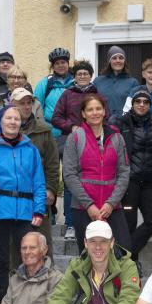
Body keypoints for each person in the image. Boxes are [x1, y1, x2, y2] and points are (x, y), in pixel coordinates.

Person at [0, 105, 48, 304]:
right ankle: (2, 302)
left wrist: (39, 210)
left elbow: (39, 181)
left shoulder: (31, 150)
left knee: (29, 258)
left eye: (16, 119)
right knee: (0, 260)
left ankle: (27, 302)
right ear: (0, 122)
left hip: (25, 212)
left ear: (21, 122)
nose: (12, 122)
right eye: (8, 118)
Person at [63, 94, 131, 253]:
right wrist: (89, 205)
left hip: (112, 207)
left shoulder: (117, 137)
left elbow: (124, 172)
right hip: (83, 207)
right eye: (90, 109)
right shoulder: (75, 138)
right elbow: (69, 174)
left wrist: (111, 203)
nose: (95, 113)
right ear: (83, 113)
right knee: (88, 255)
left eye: (98, 108)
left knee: (122, 251)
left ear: (104, 111)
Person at [52, 59, 111, 240]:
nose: (83, 76)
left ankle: (96, 219)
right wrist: (71, 127)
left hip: (94, 142)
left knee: (91, 180)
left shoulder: (98, 94)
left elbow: (106, 115)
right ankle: (70, 223)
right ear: (75, 76)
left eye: (86, 73)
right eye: (79, 74)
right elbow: (56, 117)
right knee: (71, 182)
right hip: (72, 141)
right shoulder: (67, 94)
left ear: (90, 75)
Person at [113, 88, 152, 258]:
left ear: (150, 105)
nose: (141, 104)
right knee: (129, 224)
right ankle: (131, 263)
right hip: (128, 183)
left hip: (148, 182)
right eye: (138, 101)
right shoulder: (122, 124)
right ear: (132, 104)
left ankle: (124, 255)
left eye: (145, 102)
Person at [15, 87, 60, 253]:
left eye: (29, 103)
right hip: (13, 198)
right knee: (16, 246)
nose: (27, 107)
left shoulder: (44, 129)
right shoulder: (6, 130)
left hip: (39, 195)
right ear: (13, 105)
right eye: (22, 103)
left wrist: (51, 189)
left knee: (42, 244)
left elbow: (52, 162)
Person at [0, 65, 34, 144]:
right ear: (7, 80)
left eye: (19, 77)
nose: (16, 81)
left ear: (25, 81)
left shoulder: (34, 102)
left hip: (28, 145)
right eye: (12, 77)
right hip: (1, 146)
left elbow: (40, 129)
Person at [33, 47, 74, 138]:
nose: (60, 65)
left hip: (74, 132)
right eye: (57, 63)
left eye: (63, 62)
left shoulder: (76, 82)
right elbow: (36, 108)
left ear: (68, 63)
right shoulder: (45, 83)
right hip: (52, 133)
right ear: (53, 66)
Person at [94, 45, 140, 117]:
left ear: (124, 61)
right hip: (102, 122)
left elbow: (137, 106)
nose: (118, 61)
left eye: (121, 58)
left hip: (124, 122)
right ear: (109, 61)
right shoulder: (98, 81)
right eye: (114, 58)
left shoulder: (133, 83)